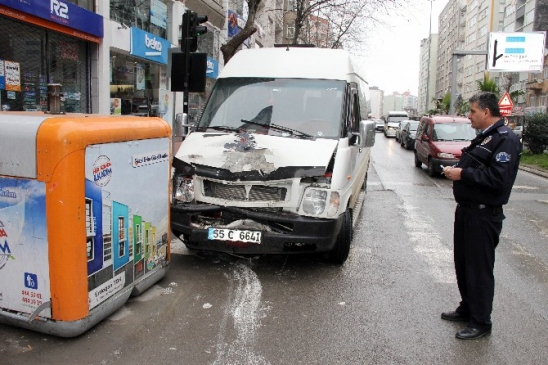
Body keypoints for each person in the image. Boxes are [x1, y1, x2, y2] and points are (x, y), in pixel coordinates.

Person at [442, 92, 521, 340]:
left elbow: (498, 180)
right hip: (467, 212)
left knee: (479, 269)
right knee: (464, 264)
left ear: (486, 112)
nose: (469, 116)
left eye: (473, 111)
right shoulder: (486, 137)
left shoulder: (505, 139)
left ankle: (481, 321)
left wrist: (462, 175)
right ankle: (467, 308)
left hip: (483, 216)